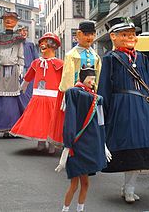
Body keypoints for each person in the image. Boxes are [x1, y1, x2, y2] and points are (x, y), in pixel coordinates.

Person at [98, 17, 149, 203]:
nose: (130, 38)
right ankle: (128, 188)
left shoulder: (142, 57)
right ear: (113, 37)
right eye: (124, 34)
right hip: (122, 107)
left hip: (142, 106)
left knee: (140, 150)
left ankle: (129, 187)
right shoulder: (110, 58)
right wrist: (104, 109)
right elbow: (104, 87)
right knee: (128, 147)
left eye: (132, 34)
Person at [55, 66, 109, 212]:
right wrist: (67, 147)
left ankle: (80, 209)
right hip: (77, 145)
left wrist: (103, 144)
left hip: (90, 145)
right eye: (90, 79)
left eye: (94, 79)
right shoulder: (74, 93)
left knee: (85, 183)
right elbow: (70, 120)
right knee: (74, 184)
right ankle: (65, 210)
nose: (92, 82)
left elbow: (101, 123)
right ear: (83, 79)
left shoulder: (96, 98)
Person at [49, 21, 102, 146]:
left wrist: (97, 91)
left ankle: (86, 145)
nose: (89, 38)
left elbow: (98, 75)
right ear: (78, 35)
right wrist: (68, 94)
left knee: (88, 119)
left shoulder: (96, 56)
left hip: (90, 94)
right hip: (76, 94)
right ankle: (74, 146)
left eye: (92, 34)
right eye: (86, 34)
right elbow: (67, 76)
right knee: (74, 120)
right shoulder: (71, 55)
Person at [10, 32, 63, 153]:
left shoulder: (59, 64)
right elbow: (28, 76)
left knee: (51, 121)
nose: (43, 45)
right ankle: (41, 141)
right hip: (38, 96)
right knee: (39, 120)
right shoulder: (36, 63)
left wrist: (66, 91)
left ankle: (51, 143)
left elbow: (64, 79)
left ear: (53, 46)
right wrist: (23, 86)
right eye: (42, 43)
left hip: (53, 96)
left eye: (46, 43)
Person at [0, 11, 26, 136]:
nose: (8, 21)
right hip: (0, 72)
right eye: (6, 19)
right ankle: (2, 127)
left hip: (14, 72)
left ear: (16, 22)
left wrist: (21, 69)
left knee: (13, 100)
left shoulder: (18, 38)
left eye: (11, 19)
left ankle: (14, 127)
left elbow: (21, 55)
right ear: (2, 21)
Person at [17, 26, 39, 102]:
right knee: (18, 94)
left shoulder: (30, 45)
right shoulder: (15, 45)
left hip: (29, 73)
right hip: (17, 73)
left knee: (29, 94)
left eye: (25, 30)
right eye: (21, 31)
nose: (23, 33)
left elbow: (36, 60)